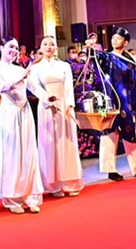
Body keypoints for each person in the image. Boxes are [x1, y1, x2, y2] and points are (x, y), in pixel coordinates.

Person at [0, 37, 43, 213]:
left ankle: (31, 197)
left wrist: (46, 97)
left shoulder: (20, 69)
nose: (14, 50)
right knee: (12, 153)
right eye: (10, 47)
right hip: (9, 112)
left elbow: (33, 87)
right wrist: (22, 75)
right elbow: (2, 87)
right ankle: (12, 199)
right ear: (1, 48)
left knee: (29, 152)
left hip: (25, 111)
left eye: (16, 47)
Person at [28, 36, 84, 198]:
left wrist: (69, 106)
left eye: (52, 44)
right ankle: (53, 185)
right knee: (49, 144)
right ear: (40, 47)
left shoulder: (64, 66)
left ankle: (71, 182)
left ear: (56, 47)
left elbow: (68, 87)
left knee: (67, 143)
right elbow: (33, 86)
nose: (49, 47)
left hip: (64, 106)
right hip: (46, 107)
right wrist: (46, 98)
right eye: (45, 44)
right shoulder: (35, 67)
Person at [91, 27, 136, 182]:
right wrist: (90, 48)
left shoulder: (130, 62)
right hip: (110, 100)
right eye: (113, 38)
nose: (114, 40)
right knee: (110, 133)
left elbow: (134, 85)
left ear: (125, 42)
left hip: (127, 103)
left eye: (118, 38)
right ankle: (110, 170)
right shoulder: (107, 57)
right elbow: (94, 59)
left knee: (130, 134)